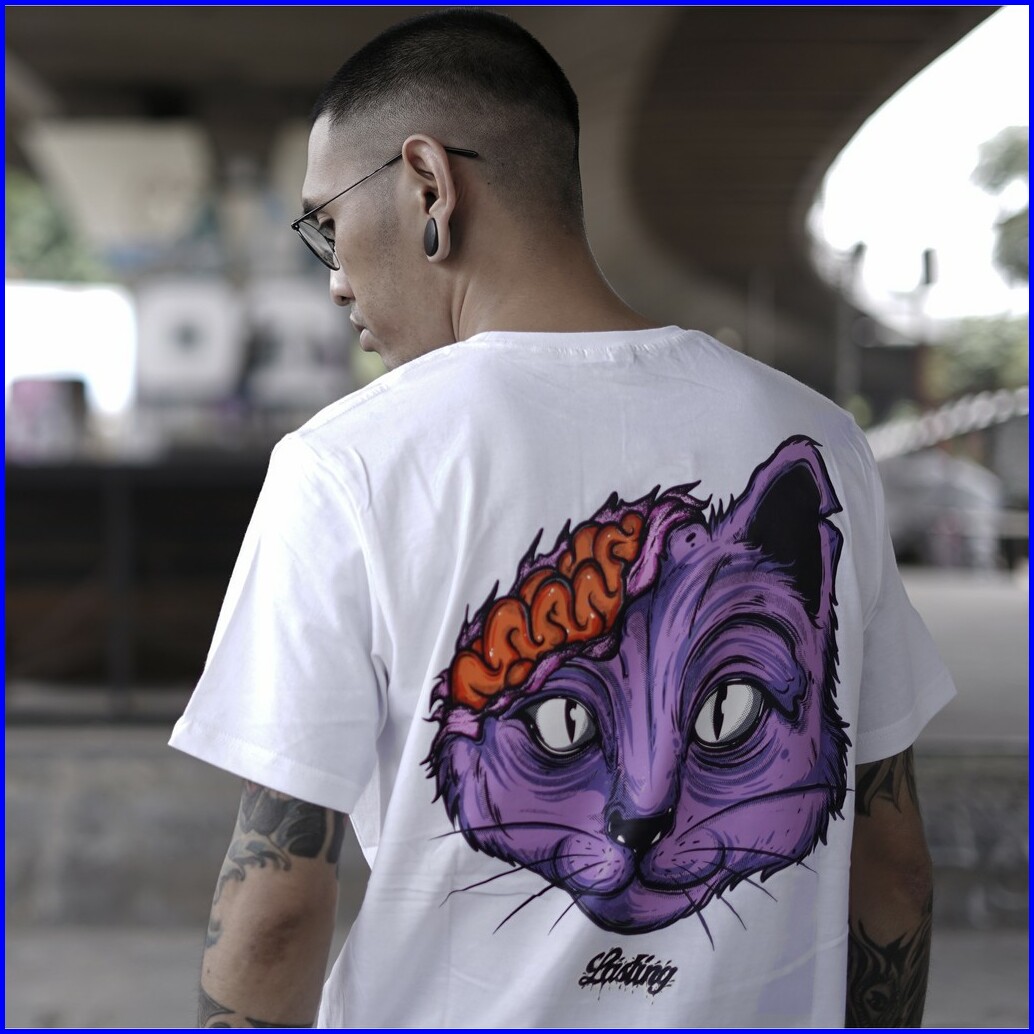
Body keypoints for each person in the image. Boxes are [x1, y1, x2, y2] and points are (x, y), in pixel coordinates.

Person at [170, 10, 954, 1028]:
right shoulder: (818, 439)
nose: (333, 281)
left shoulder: (347, 465)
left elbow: (275, 909)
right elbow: (891, 867)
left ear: (427, 186)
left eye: (327, 224)